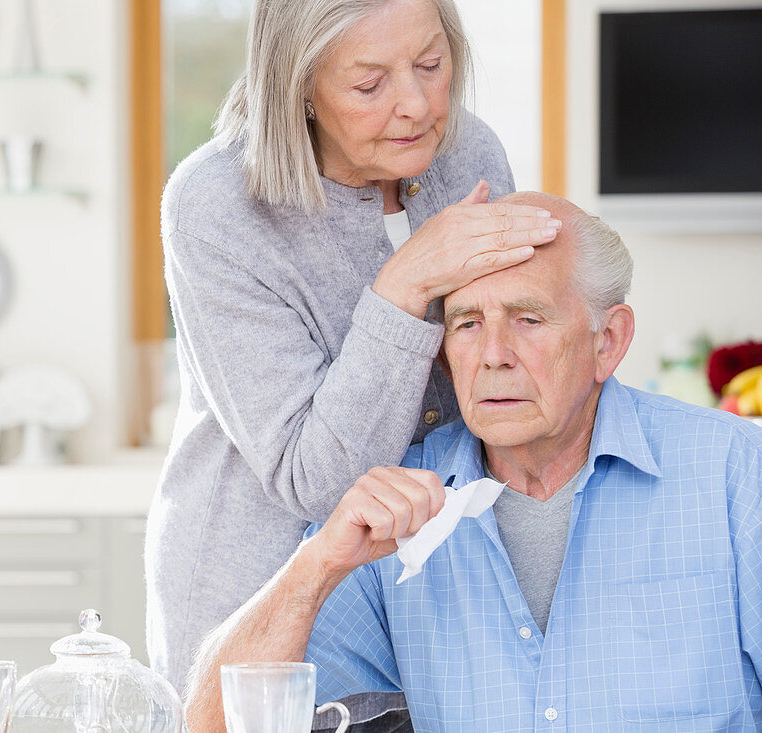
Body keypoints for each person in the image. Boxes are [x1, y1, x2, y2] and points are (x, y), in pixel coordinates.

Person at [185, 192, 762, 732]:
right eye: (466, 323)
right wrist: (316, 569)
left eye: (528, 319)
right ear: (443, 353)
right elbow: (213, 723)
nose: (492, 356)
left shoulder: (734, 470)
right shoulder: (392, 509)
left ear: (607, 340)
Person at [145, 0, 566, 693]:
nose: (417, 106)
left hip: (433, 576)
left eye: (432, 65)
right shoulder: (216, 203)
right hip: (265, 586)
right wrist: (407, 283)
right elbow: (312, 480)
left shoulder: (469, 155)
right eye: (369, 85)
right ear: (298, 85)